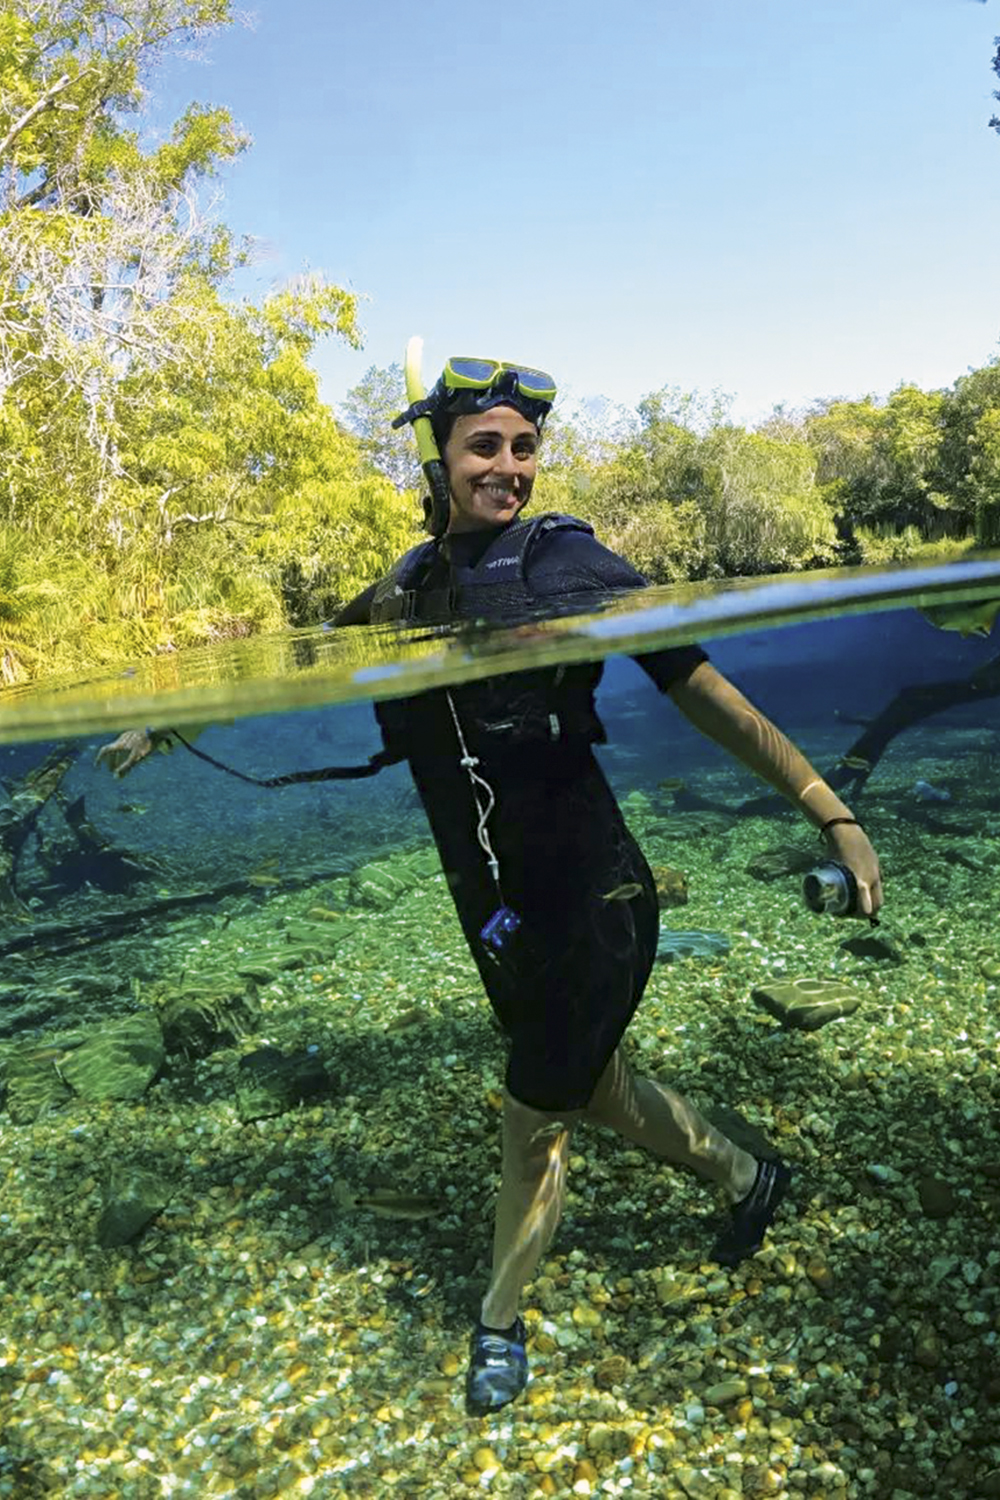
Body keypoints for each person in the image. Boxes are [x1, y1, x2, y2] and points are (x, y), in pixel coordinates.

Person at [98, 352, 883, 1418]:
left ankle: (497, 1323)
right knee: (589, 1090)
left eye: (523, 449)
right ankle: (747, 1179)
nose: (509, 468)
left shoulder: (565, 567)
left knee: (531, 1116)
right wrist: (172, 717)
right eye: (486, 447)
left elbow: (705, 692)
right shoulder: (407, 585)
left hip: (592, 895)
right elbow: (309, 661)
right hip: (495, 903)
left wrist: (827, 811)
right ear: (443, 455)